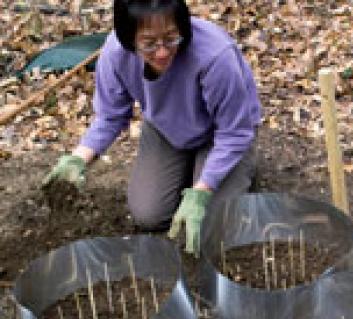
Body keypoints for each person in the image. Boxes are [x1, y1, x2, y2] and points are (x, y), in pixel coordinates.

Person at [43, 0, 261, 256]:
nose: (161, 52)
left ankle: (238, 169)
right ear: (128, 38)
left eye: (171, 38)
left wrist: (202, 191)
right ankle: (194, 168)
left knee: (210, 227)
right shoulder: (115, 54)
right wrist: (78, 158)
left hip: (221, 134)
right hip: (167, 129)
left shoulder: (215, 56)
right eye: (148, 43)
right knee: (148, 214)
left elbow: (234, 131)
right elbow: (110, 116)